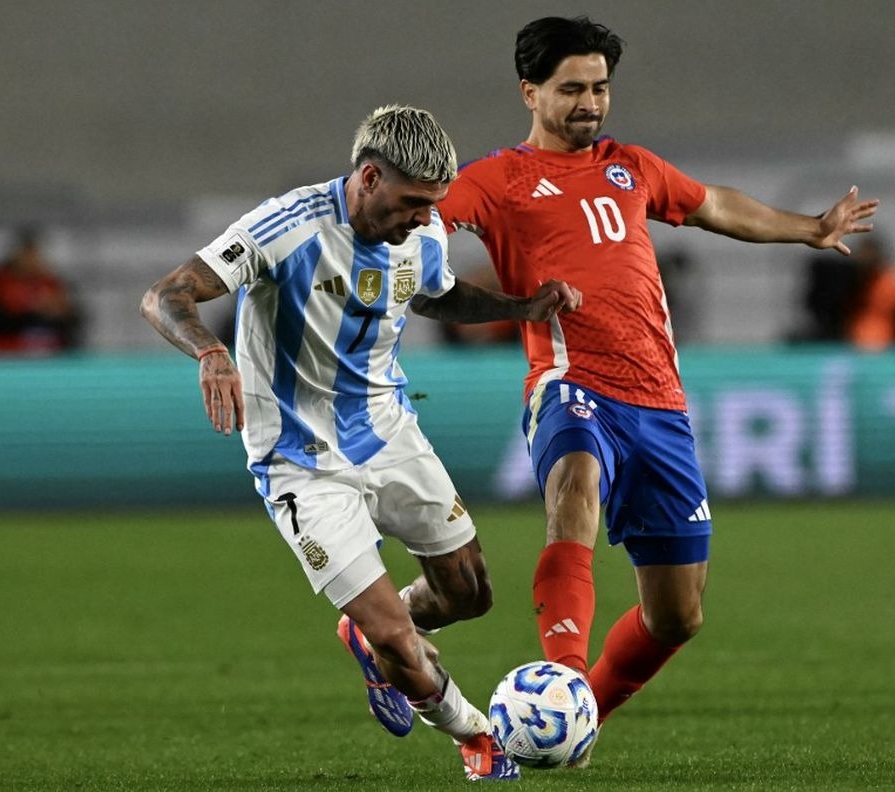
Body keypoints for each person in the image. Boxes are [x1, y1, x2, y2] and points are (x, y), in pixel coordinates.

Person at [431, 16, 877, 762]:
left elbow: (714, 205)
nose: (590, 103)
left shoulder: (629, 167)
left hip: (659, 403)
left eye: (600, 87)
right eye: (572, 89)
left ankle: (576, 717)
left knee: (677, 615)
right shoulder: (499, 179)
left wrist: (809, 228)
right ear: (529, 92)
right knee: (574, 487)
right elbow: (424, 222)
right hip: (571, 382)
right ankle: (561, 675)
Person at [141, 104, 581, 781]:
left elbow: (434, 295)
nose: (424, 218)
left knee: (469, 593)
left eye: (432, 205)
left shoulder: (422, 231)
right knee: (397, 643)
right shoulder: (288, 225)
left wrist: (520, 307)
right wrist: (209, 351)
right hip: (299, 462)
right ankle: (476, 736)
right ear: (369, 178)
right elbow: (166, 295)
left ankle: (372, 629)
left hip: (388, 432)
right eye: (412, 203)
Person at [0, 226, 81, 354]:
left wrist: (60, 311)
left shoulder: (48, 281)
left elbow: (69, 314)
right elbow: (5, 317)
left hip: (47, 348)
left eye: (34, 254)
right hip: (9, 348)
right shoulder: (3, 280)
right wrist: (32, 309)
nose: (31, 259)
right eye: (27, 254)